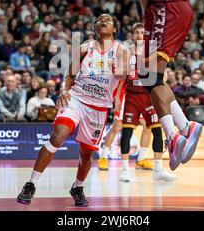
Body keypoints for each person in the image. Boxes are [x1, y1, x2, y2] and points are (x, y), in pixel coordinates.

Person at [16, 14, 130, 207]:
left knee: (86, 155)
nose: (102, 21)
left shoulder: (122, 51)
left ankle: (77, 187)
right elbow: (69, 74)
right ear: (95, 27)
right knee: (57, 137)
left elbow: (122, 75)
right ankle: (31, 184)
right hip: (76, 99)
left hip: (99, 107)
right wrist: (63, 91)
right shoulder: (85, 48)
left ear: (115, 29)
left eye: (108, 20)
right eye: (99, 20)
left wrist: (116, 69)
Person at [139, 0, 203, 171]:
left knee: (149, 77)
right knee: (151, 78)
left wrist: (145, 18)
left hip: (165, 9)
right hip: (184, 7)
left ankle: (179, 133)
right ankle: (179, 131)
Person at [97, 24, 171, 177]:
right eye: (136, 32)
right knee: (118, 126)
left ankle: (142, 158)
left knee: (148, 127)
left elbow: (163, 75)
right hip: (128, 94)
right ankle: (103, 156)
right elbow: (120, 76)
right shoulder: (126, 51)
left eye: (142, 32)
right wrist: (117, 96)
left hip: (147, 95)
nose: (139, 35)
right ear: (132, 35)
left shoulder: (152, 52)